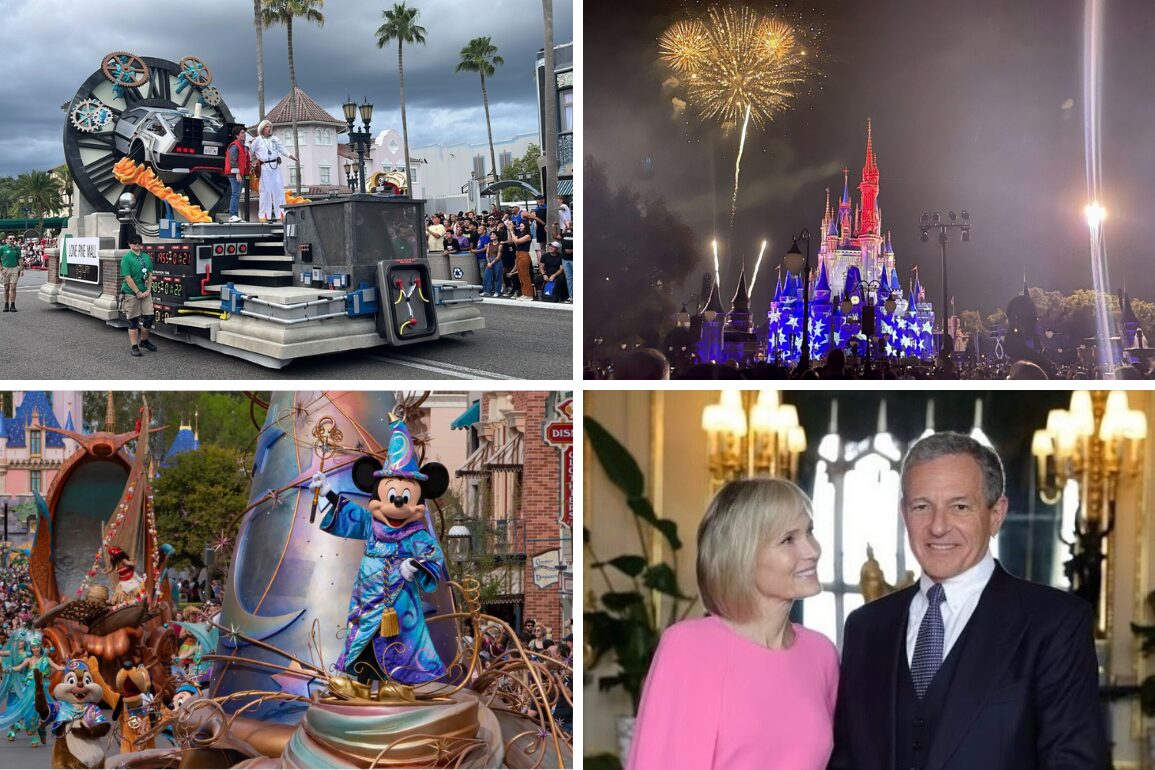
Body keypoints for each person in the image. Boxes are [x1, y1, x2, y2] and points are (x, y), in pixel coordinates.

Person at [829, 432, 1108, 770]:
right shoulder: (866, 627)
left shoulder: (1055, 623)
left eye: (959, 506)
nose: (938, 526)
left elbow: (1074, 763)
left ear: (996, 514)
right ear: (904, 513)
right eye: (922, 507)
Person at [627, 479, 838, 770]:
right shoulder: (689, 647)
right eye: (789, 539)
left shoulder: (821, 653)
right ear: (743, 555)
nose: (813, 550)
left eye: (809, 532)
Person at [249, 120, 296, 223]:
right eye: (267, 127)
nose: (269, 128)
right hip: (265, 166)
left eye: (270, 127)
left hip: (275, 166)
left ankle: (281, 214)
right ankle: (264, 215)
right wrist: (254, 161)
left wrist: (290, 156)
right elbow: (250, 151)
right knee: (265, 191)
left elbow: (282, 149)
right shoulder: (258, 140)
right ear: (262, 128)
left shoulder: (275, 139)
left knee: (278, 190)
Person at [120, 233, 157, 358]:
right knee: (133, 320)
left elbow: (150, 273)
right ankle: (134, 346)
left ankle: (144, 341)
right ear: (130, 244)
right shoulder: (126, 258)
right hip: (131, 293)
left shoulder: (146, 257)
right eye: (134, 242)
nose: (137, 245)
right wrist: (137, 292)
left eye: (139, 242)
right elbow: (127, 277)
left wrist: (148, 289)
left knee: (149, 317)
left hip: (145, 292)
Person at [224, 125, 250, 223]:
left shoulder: (243, 147)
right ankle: (232, 215)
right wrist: (237, 174)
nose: (244, 135)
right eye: (242, 133)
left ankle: (235, 216)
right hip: (234, 174)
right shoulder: (235, 146)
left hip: (239, 174)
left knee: (237, 194)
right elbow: (232, 161)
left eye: (244, 133)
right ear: (237, 136)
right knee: (235, 194)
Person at [512, 218, 534, 301]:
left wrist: (511, 232)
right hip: (518, 254)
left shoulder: (528, 235)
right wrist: (510, 230)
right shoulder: (520, 234)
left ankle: (529, 294)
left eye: (522, 225)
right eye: (520, 225)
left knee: (525, 275)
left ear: (526, 226)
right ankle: (524, 293)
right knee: (520, 275)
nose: (520, 227)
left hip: (524, 254)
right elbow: (512, 240)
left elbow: (517, 241)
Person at [1, 234, 21, 312]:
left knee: (13, 287)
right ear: (7, 240)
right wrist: (1, 268)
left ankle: (13, 305)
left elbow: (19, 259)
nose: (12, 240)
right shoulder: (3, 248)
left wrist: (21, 269)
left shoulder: (17, 248)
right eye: (10, 238)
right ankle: (6, 304)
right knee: (6, 288)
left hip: (14, 268)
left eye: (13, 238)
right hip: (5, 269)